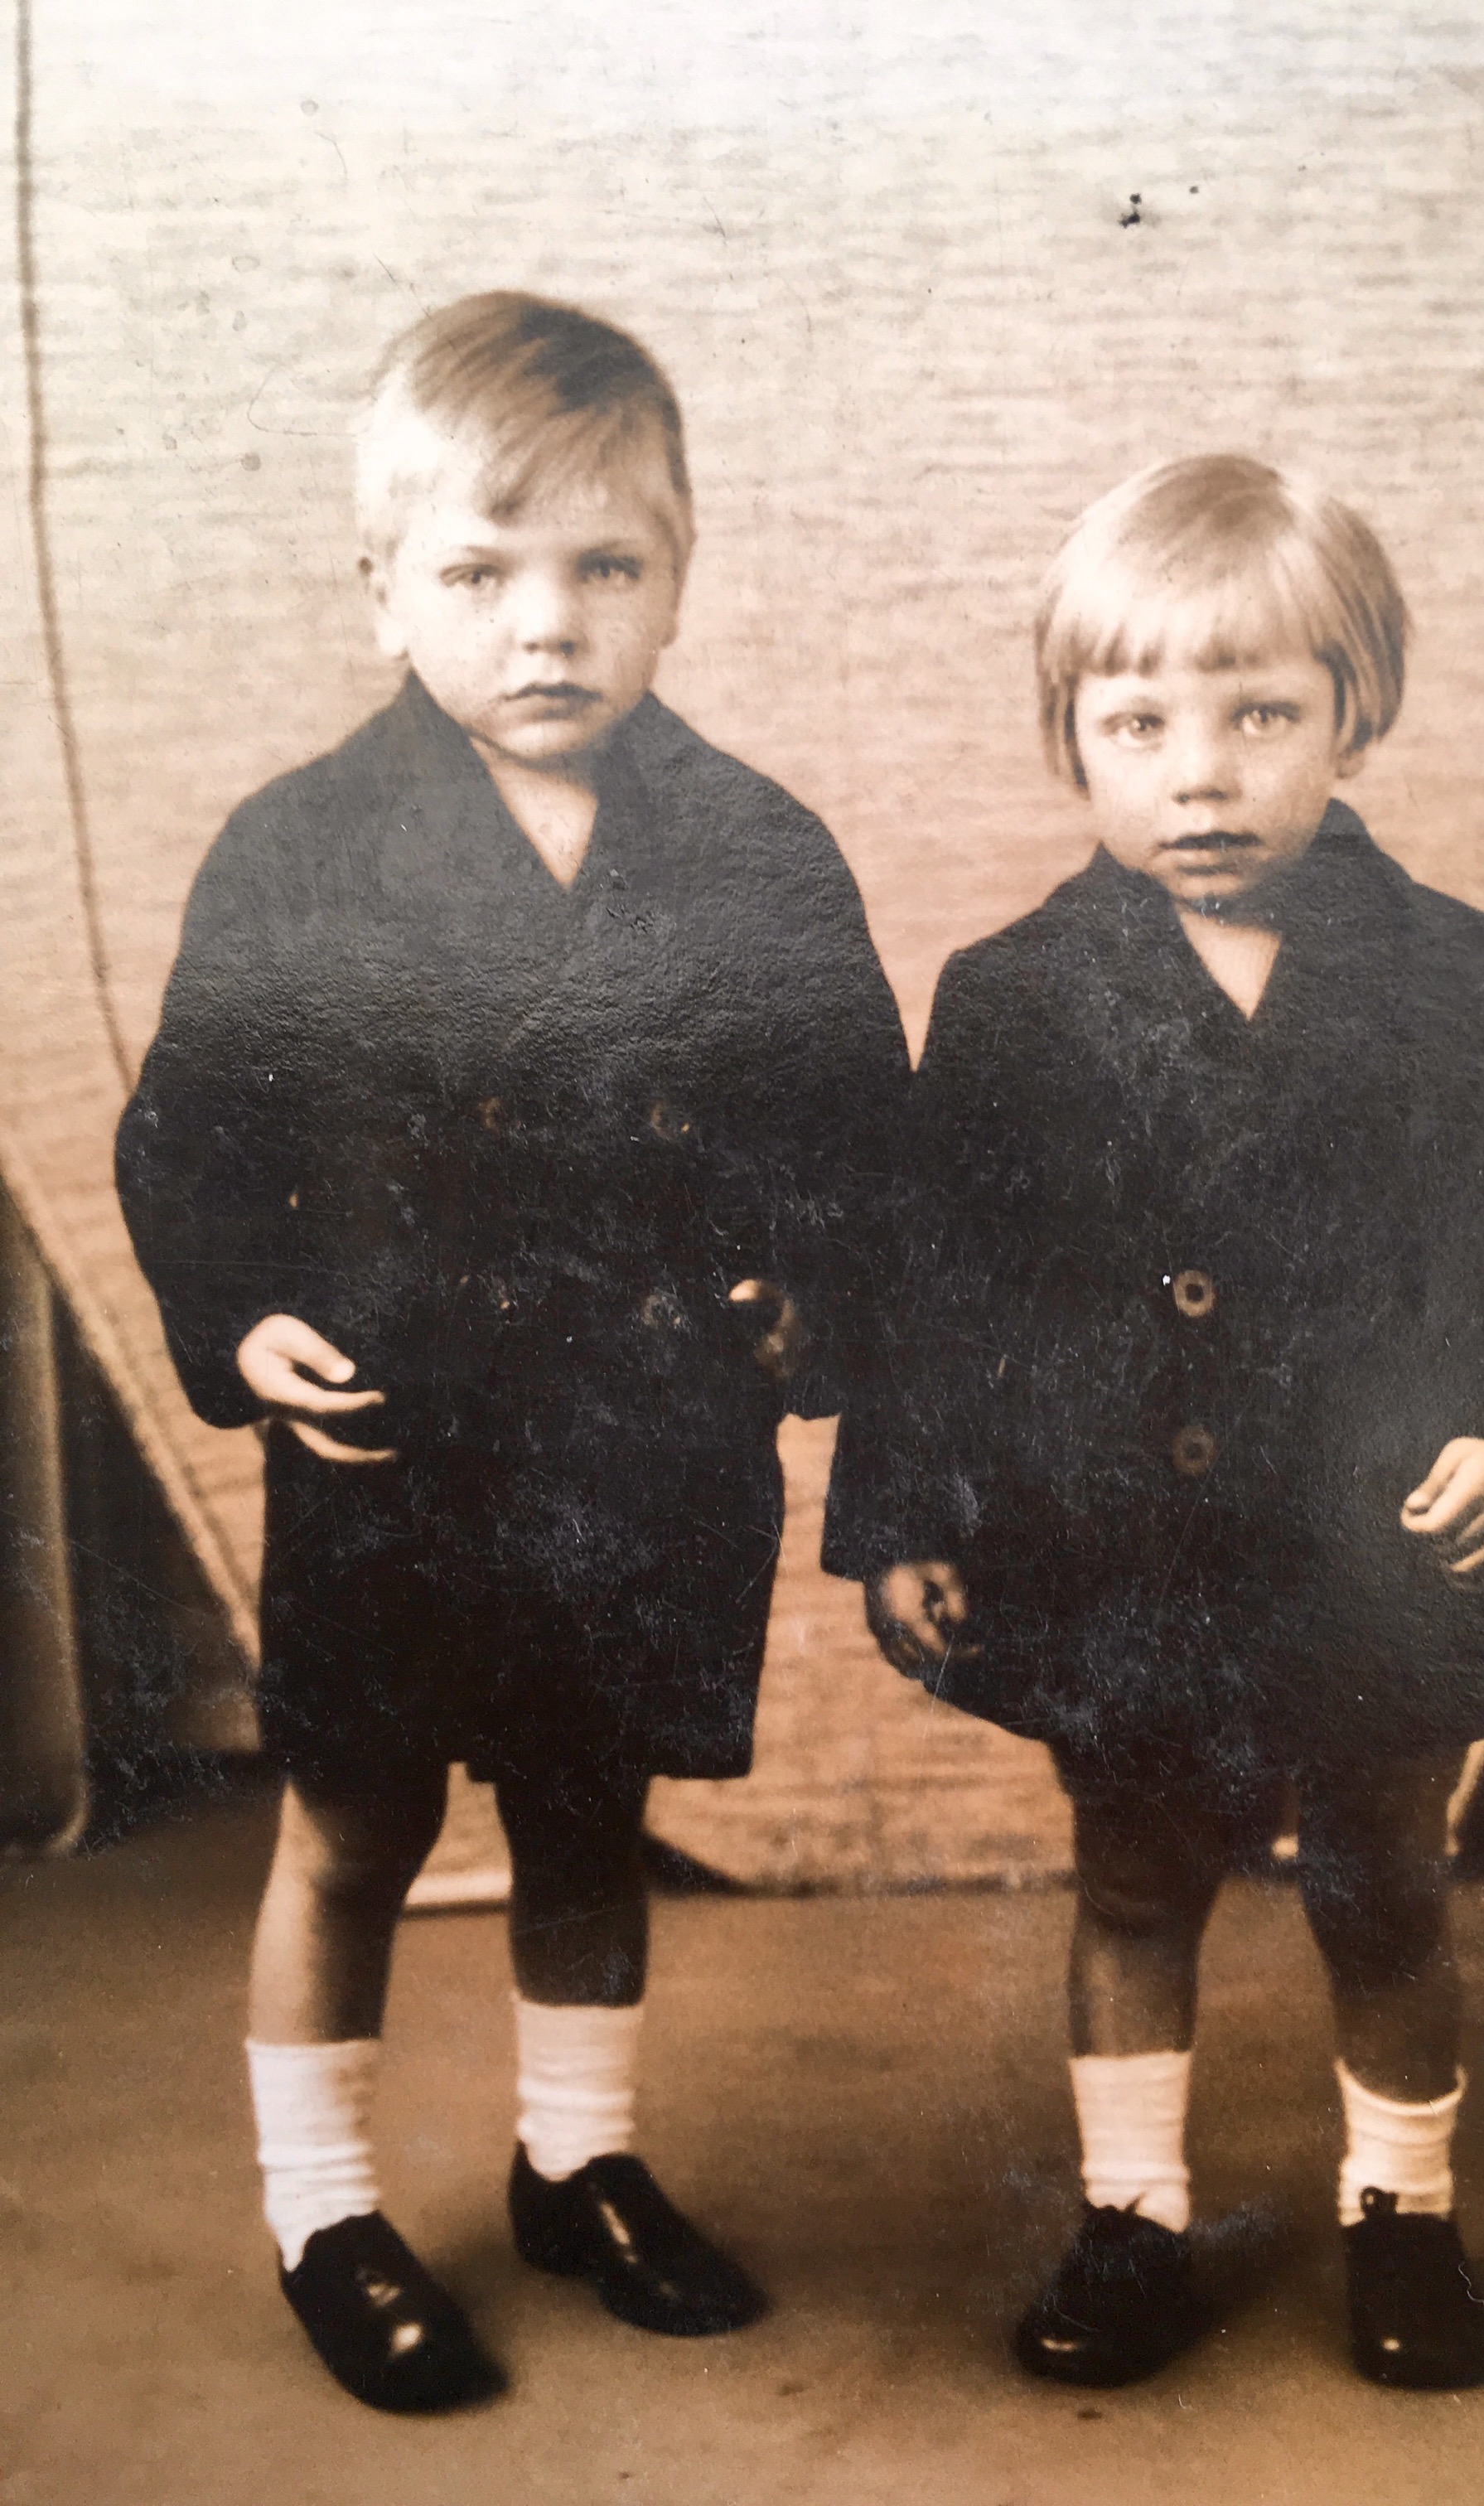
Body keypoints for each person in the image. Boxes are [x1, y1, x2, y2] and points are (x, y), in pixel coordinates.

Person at [116, 292, 907, 2412]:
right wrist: (243, 1314)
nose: (547, 624)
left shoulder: (753, 851)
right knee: (355, 1825)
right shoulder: (300, 852)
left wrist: (806, 1292)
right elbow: (192, 1135)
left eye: (604, 567)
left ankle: (578, 2159)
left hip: (640, 1446)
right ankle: (323, 2206)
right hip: (402, 1445)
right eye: (479, 574)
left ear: (680, 577)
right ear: (382, 588)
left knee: (587, 1812)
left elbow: (852, 1128)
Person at [824, 454, 1484, 2392]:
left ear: (1358, 713)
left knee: (1385, 1881)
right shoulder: (1014, 998)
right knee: (1133, 1877)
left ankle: (1402, 2215)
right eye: (1140, 725)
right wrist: (910, 1512)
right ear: (1071, 739)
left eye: (1260, 715)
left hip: (1373, 1550)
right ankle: (1131, 2219)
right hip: (1127, 1554)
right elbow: (939, 1284)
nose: (1200, 775)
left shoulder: (1460, 980)